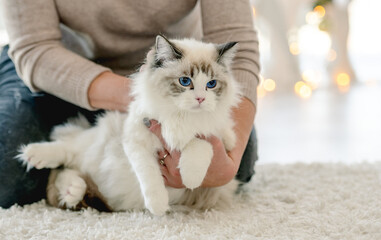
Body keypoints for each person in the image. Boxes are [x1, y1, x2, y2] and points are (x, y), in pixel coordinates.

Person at [0, 0, 259, 208]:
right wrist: (145, 100)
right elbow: (35, 48)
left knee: (238, 162)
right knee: (8, 172)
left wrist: (227, 163)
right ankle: (71, 159)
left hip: (182, 70)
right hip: (61, 70)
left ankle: (86, 176)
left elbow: (240, 50)